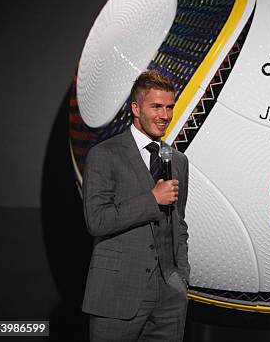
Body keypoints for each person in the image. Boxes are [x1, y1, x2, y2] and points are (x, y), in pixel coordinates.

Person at [82, 70, 191, 341]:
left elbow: (179, 223)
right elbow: (97, 221)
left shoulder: (177, 160)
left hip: (169, 297)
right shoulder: (105, 154)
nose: (164, 115)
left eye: (169, 107)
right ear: (135, 108)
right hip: (118, 292)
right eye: (156, 106)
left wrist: (181, 278)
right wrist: (152, 199)